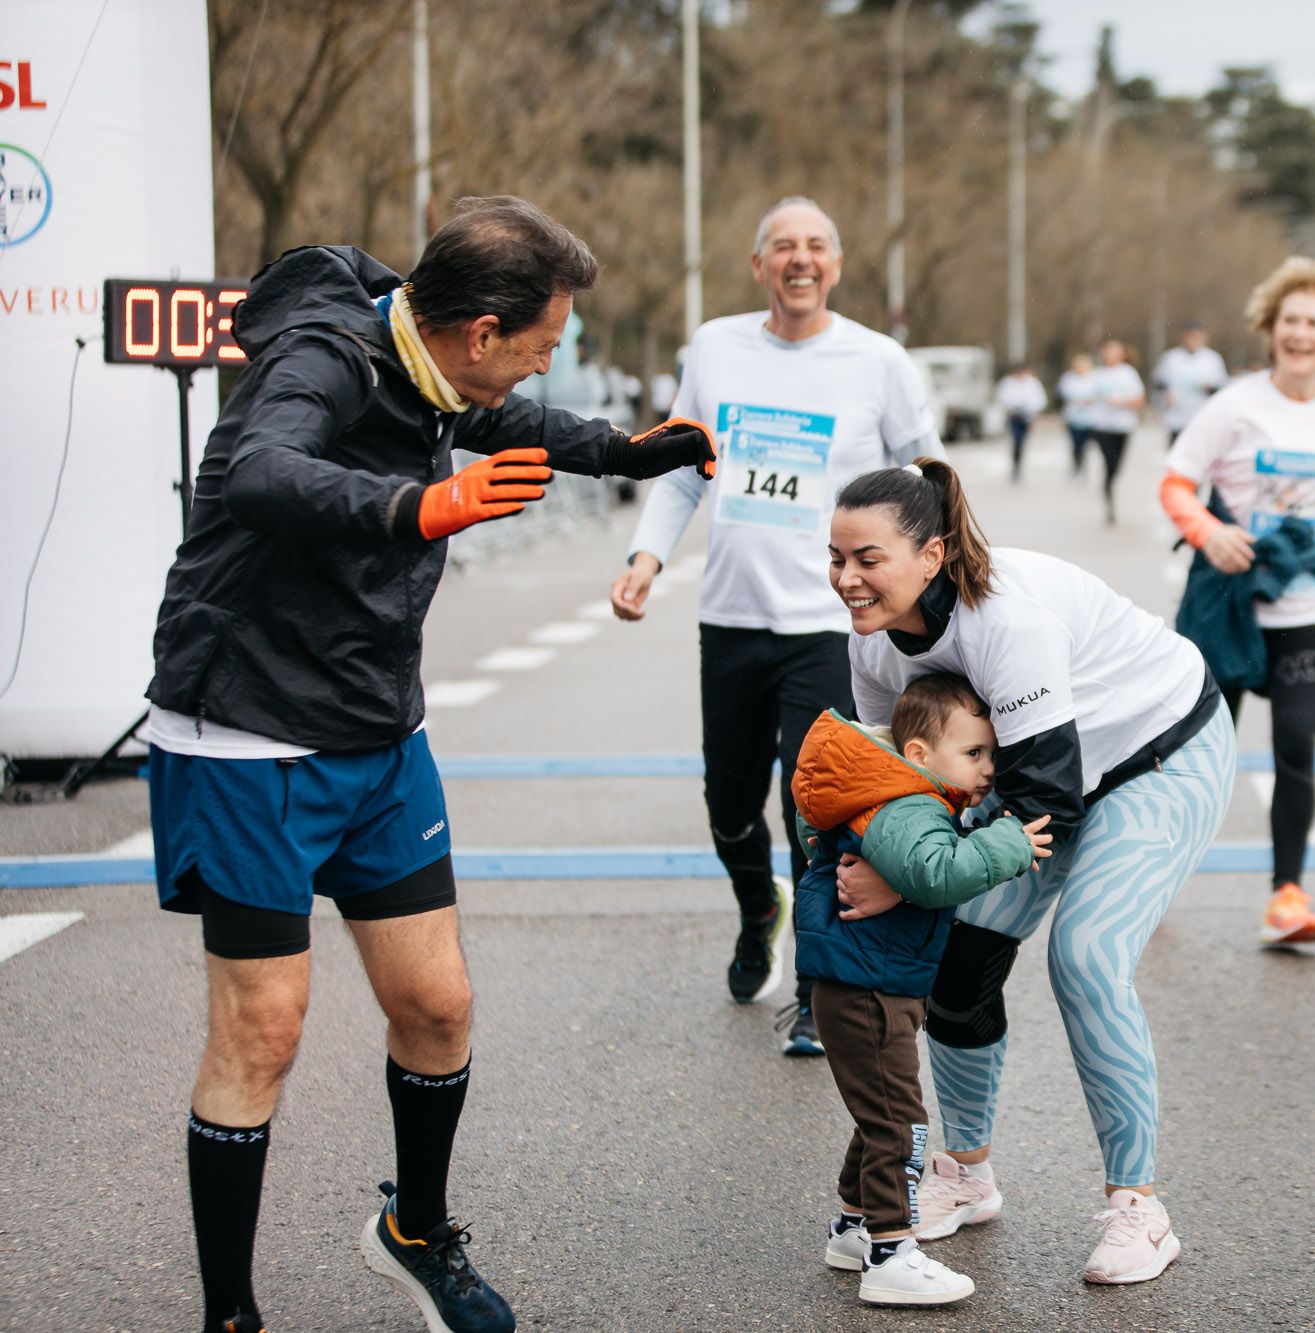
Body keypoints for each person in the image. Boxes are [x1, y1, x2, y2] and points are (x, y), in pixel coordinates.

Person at [143, 196, 717, 1333]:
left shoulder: (436, 365)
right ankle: (227, 1313)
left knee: (437, 1003)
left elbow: (511, 424)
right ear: (480, 332)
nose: (546, 361)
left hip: (376, 728)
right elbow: (261, 471)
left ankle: (413, 1228)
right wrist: (423, 504)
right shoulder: (322, 357)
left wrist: (623, 450)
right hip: (247, 727)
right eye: (542, 343)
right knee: (264, 1026)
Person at [826, 459, 1235, 1285]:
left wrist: (908, 880)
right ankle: (966, 1174)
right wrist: (873, 865)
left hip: (1153, 755)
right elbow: (892, 789)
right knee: (958, 953)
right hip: (1037, 780)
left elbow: (1048, 804)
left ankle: (1138, 1208)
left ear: (932, 555)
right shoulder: (874, 643)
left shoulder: (1003, 621)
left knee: (1084, 956)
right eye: (836, 558)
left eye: (868, 559)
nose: (846, 579)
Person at [610, 196, 941, 1057]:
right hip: (732, 617)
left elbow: (926, 476)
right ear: (759, 265)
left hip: (832, 626)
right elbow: (682, 469)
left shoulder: (877, 360)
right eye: (783, 246)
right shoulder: (716, 347)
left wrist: (924, 583)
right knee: (729, 807)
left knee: (815, 809)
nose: (801, 259)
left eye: (817, 246)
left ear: (838, 263)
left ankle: (812, 986)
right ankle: (760, 907)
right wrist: (647, 558)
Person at [1160, 256, 1315, 948]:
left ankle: (1287, 896)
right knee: (1201, 755)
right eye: (1289, 321)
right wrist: (1210, 534)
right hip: (1230, 606)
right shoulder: (1233, 405)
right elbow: (1176, 484)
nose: (1300, 334)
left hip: (1307, 609)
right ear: (1272, 332)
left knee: (1296, 747)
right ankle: (1154, 877)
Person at [792, 674, 1052, 1306]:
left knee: (877, 1112)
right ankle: (891, 1251)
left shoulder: (898, 795)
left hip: (871, 980)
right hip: (869, 987)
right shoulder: (907, 805)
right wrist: (1007, 840)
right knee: (900, 1124)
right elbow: (937, 874)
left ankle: (855, 1228)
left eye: (991, 753)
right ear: (917, 755)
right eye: (974, 754)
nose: (989, 769)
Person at [1089, 338, 1146, 524]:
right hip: (1102, 427)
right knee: (1108, 462)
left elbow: (1139, 401)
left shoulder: (1128, 374)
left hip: (1123, 427)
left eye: (1116, 350)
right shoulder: (1097, 375)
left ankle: (1109, 484)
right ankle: (1108, 496)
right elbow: (1087, 397)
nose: (1112, 354)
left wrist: (1120, 402)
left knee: (1116, 467)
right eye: (1109, 350)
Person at [1152, 321, 1227, 445]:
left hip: (1202, 418)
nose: (1192, 340)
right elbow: (1159, 382)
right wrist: (1165, 394)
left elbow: (1221, 387)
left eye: (1196, 336)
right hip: (1176, 418)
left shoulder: (1212, 359)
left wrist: (1209, 388)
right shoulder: (1171, 358)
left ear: (1203, 337)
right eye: (1189, 336)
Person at [993, 363, 1048, 482]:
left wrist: (1031, 411)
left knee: (1022, 442)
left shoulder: (1033, 384)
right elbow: (1002, 399)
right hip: (1014, 417)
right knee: (1016, 441)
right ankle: (1015, 466)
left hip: (1027, 417)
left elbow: (1040, 401)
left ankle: (1019, 463)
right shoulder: (1008, 383)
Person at [1056, 352, 1097, 476]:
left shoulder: (1095, 378)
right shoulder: (1068, 379)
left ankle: (1084, 466)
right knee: (1076, 444)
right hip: (1073, 418)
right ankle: (1077, 465)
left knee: (1087, 445)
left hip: (1091, 419)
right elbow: (1062, 396)